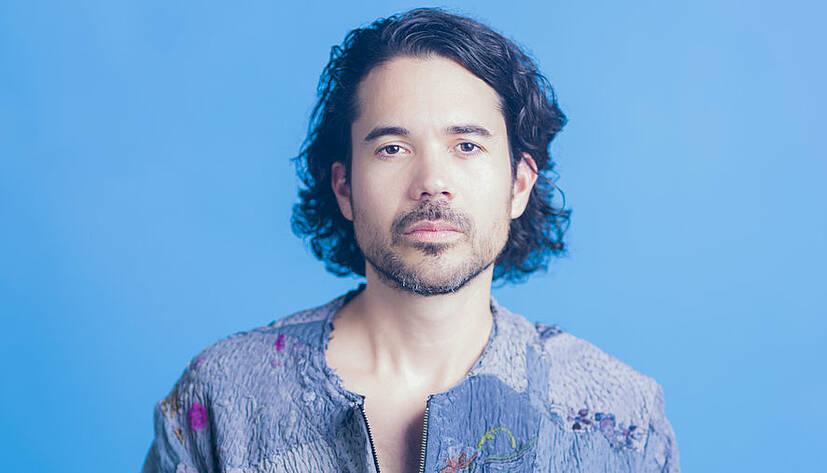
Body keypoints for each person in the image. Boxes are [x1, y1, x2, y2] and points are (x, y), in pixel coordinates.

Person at [141, 7, 680, 473]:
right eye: (392, 148)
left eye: (466, 146)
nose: (432, 182)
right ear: (345, 188)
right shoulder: (221, 396)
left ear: (519, 185)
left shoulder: (621, 417)